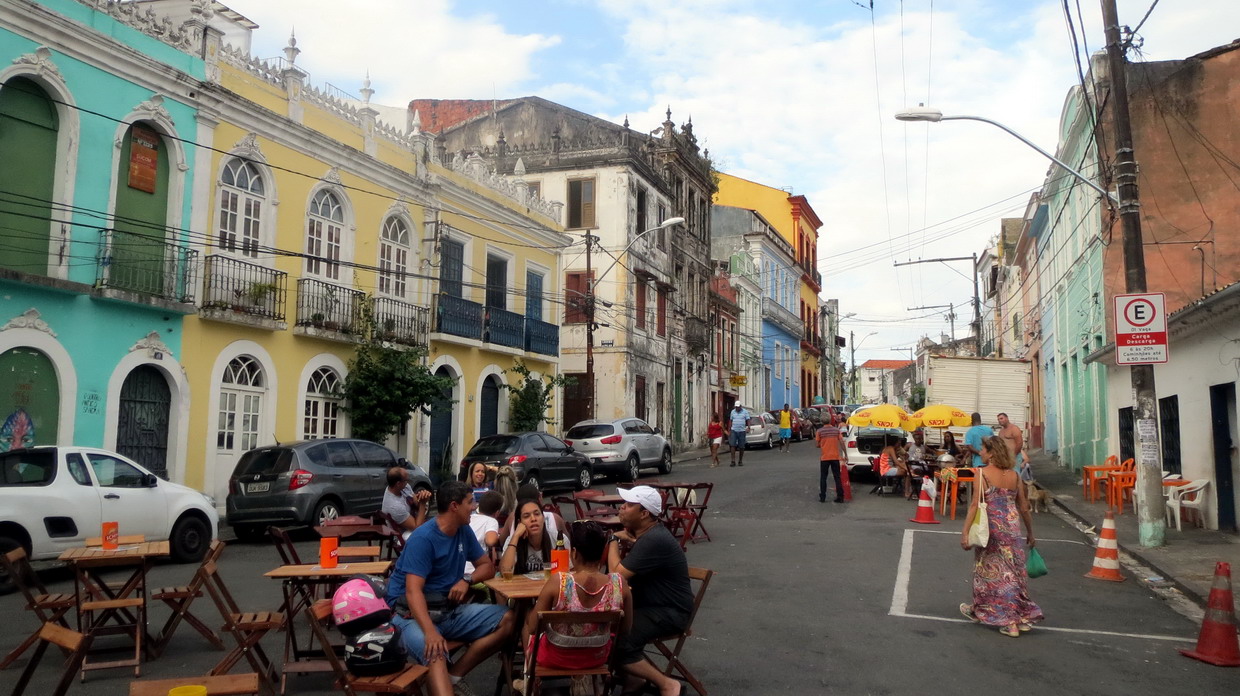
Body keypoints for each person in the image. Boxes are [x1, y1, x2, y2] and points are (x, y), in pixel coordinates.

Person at [386, 481, 514, 696]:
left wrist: (466, 579)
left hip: (447, 609)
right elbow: (412, 592)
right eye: (470, 502)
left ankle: (453, 675)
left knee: (509, 619)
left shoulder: (463, 530)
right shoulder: (424, 538)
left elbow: (487, 567)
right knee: (436, 650)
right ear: (454, 506)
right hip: (411, 615)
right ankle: (444, 682)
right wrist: (429, 633)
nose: (474, 506)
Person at [515, 520, 633, 694]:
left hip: (555, 657)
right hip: (597, 657)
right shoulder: (619, 583)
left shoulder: (560, 582)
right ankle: (582, 681)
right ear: (602, 554)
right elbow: (625, 628)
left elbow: (533, 627)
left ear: (574, 553)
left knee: (527, 621)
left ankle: (529, 683)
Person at [606, 486, 693, 696]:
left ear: (644, 514)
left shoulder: (654, 540)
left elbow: (616, 575)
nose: (622, 508)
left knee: (617, 641)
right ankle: (634, 679)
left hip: (669, 612)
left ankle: (668, 684)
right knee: (603, 629)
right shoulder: (648, 536)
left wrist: (613, 541)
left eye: (628, 505)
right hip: (652, 607)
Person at [959, 436, 1043, 637]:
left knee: (988, 572)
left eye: (983, 449)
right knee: (1013, 573)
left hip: (992, 528)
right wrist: (1031, 533)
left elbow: (974, 505)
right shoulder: (1015, 476)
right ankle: (1018, 615)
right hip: (1012, 528)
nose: (980, 453)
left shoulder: (982, 474)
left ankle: (1007, 620)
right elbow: (1024, 507)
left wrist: (965, 532)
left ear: (991, 452)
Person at [501, 498, 571, 576]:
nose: (533, 519)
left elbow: (570, 572)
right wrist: (516, 536)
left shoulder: (559, 539)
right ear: (519, 522)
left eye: (537, 514)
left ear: (543, 518)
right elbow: (504, 572)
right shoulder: (512, 541)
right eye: (526, 516)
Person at [381, 467, 431, 539]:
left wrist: (422, 496)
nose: (408, 482)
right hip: (402, 534)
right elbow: (417, 527)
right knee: (429, 535)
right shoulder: (395, 506)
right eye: (406, 480)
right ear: (398, 483)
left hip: (413, 523)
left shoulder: (403, 487)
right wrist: (423, 504)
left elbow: (416, 503)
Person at [464, 491, 503, 582]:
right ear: (497, 513)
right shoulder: (491, 521)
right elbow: (491, 541)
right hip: (475, 572)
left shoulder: (471, 517)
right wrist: (499, 536)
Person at [815, 415, 848, 503]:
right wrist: (845, 454)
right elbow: (841, 442)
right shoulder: (836, 430)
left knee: (823, 477)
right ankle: (840, 496)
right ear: (830, 420)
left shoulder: (819, 431)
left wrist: (823, 444)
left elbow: (817, 444)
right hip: (835, 457)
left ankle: (823, 496)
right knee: (837, 477)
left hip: (825, 457)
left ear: (822, 422)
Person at [997, 413, 1028, 480]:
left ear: (1007, 418)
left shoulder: (1014, 428)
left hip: (1015, 457)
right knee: (1006, 476)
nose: (1000, 420)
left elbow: (1019, 443)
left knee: (1015, 475)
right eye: (998, 419)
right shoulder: (1001, 432)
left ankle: (1018, 490)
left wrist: (1013, 455)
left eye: (1001, 418)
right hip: (1005, 458)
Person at [728, 401, 751, 467]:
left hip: (742, 431)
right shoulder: (732, 412)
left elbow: (748, 420)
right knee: (732, 445)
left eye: (738, 407)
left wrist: (749, 427)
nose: (737, 408)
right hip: (734, 430)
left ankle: (740, 460)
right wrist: (729, 430)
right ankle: (733, 461)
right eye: (736, 407)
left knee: (741, 446)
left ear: (740, 406)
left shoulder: (745, 412)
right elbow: (730, 420)